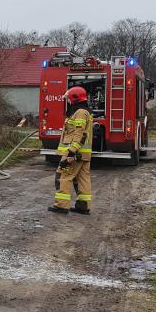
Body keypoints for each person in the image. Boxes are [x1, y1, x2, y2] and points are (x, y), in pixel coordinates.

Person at [48, 85, 93, 215]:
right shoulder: (85, 112)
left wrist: (71, 152)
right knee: (82, 179)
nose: (67, 101)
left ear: (75, 99)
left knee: (63, 176)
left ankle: (61, 206)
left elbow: (80, 134)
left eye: (69, 99)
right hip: (83, 154)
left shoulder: (79, 112)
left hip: (75, 153)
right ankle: (83, 206)